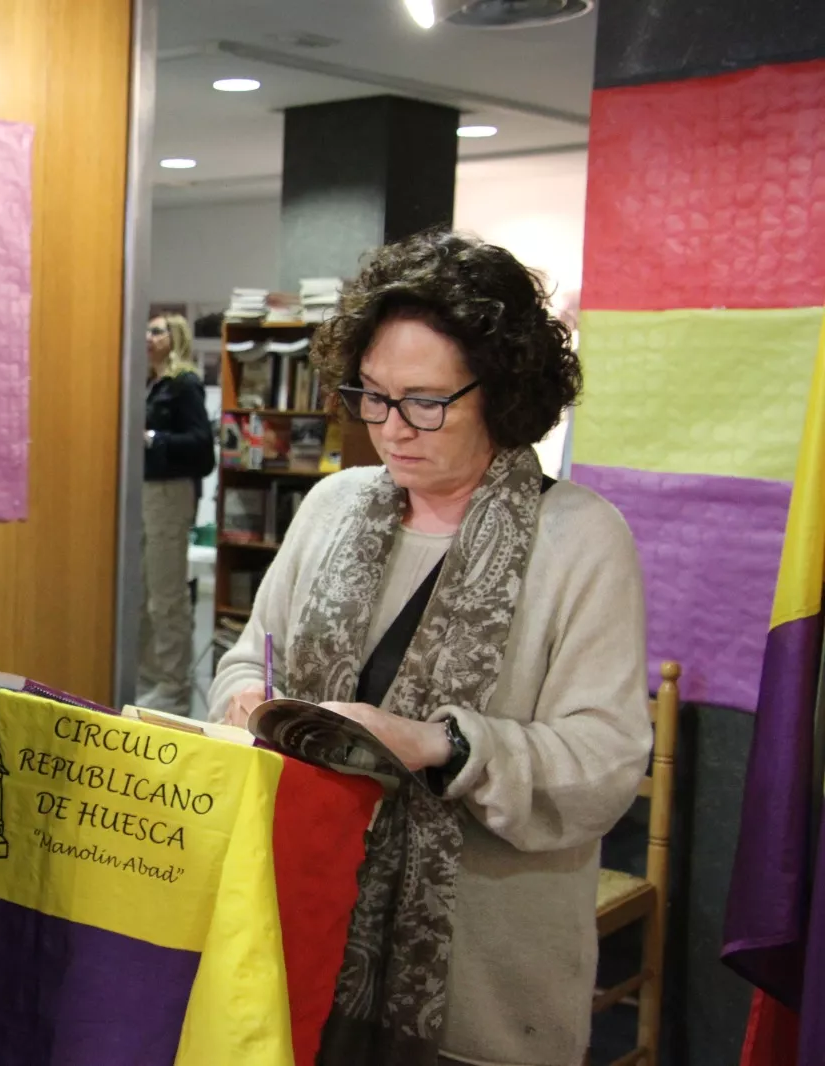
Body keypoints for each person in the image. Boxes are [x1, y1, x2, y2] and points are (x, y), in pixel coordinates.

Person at [209, 230, 652, 1066]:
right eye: (373, 396)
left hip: (483, 979)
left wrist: (443, 745)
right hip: (298, 930)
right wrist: (243, 699)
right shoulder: (332, 508)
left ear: (502, 391)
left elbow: (605, 763)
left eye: (425, 401)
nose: (392, 429)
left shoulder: (581, 539)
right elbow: (247, 656)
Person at [138, 313, 214, 714]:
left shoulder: (184, 384)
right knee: (144, 593)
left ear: (176, 338)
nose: (147, 336)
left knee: (167, 596)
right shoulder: (149, 383)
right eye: (146, 330)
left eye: (157, 331)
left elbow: (202, 448)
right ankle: (152, 680)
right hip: (143, 492)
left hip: (169, 494)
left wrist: (154, 438)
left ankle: (174, 688)